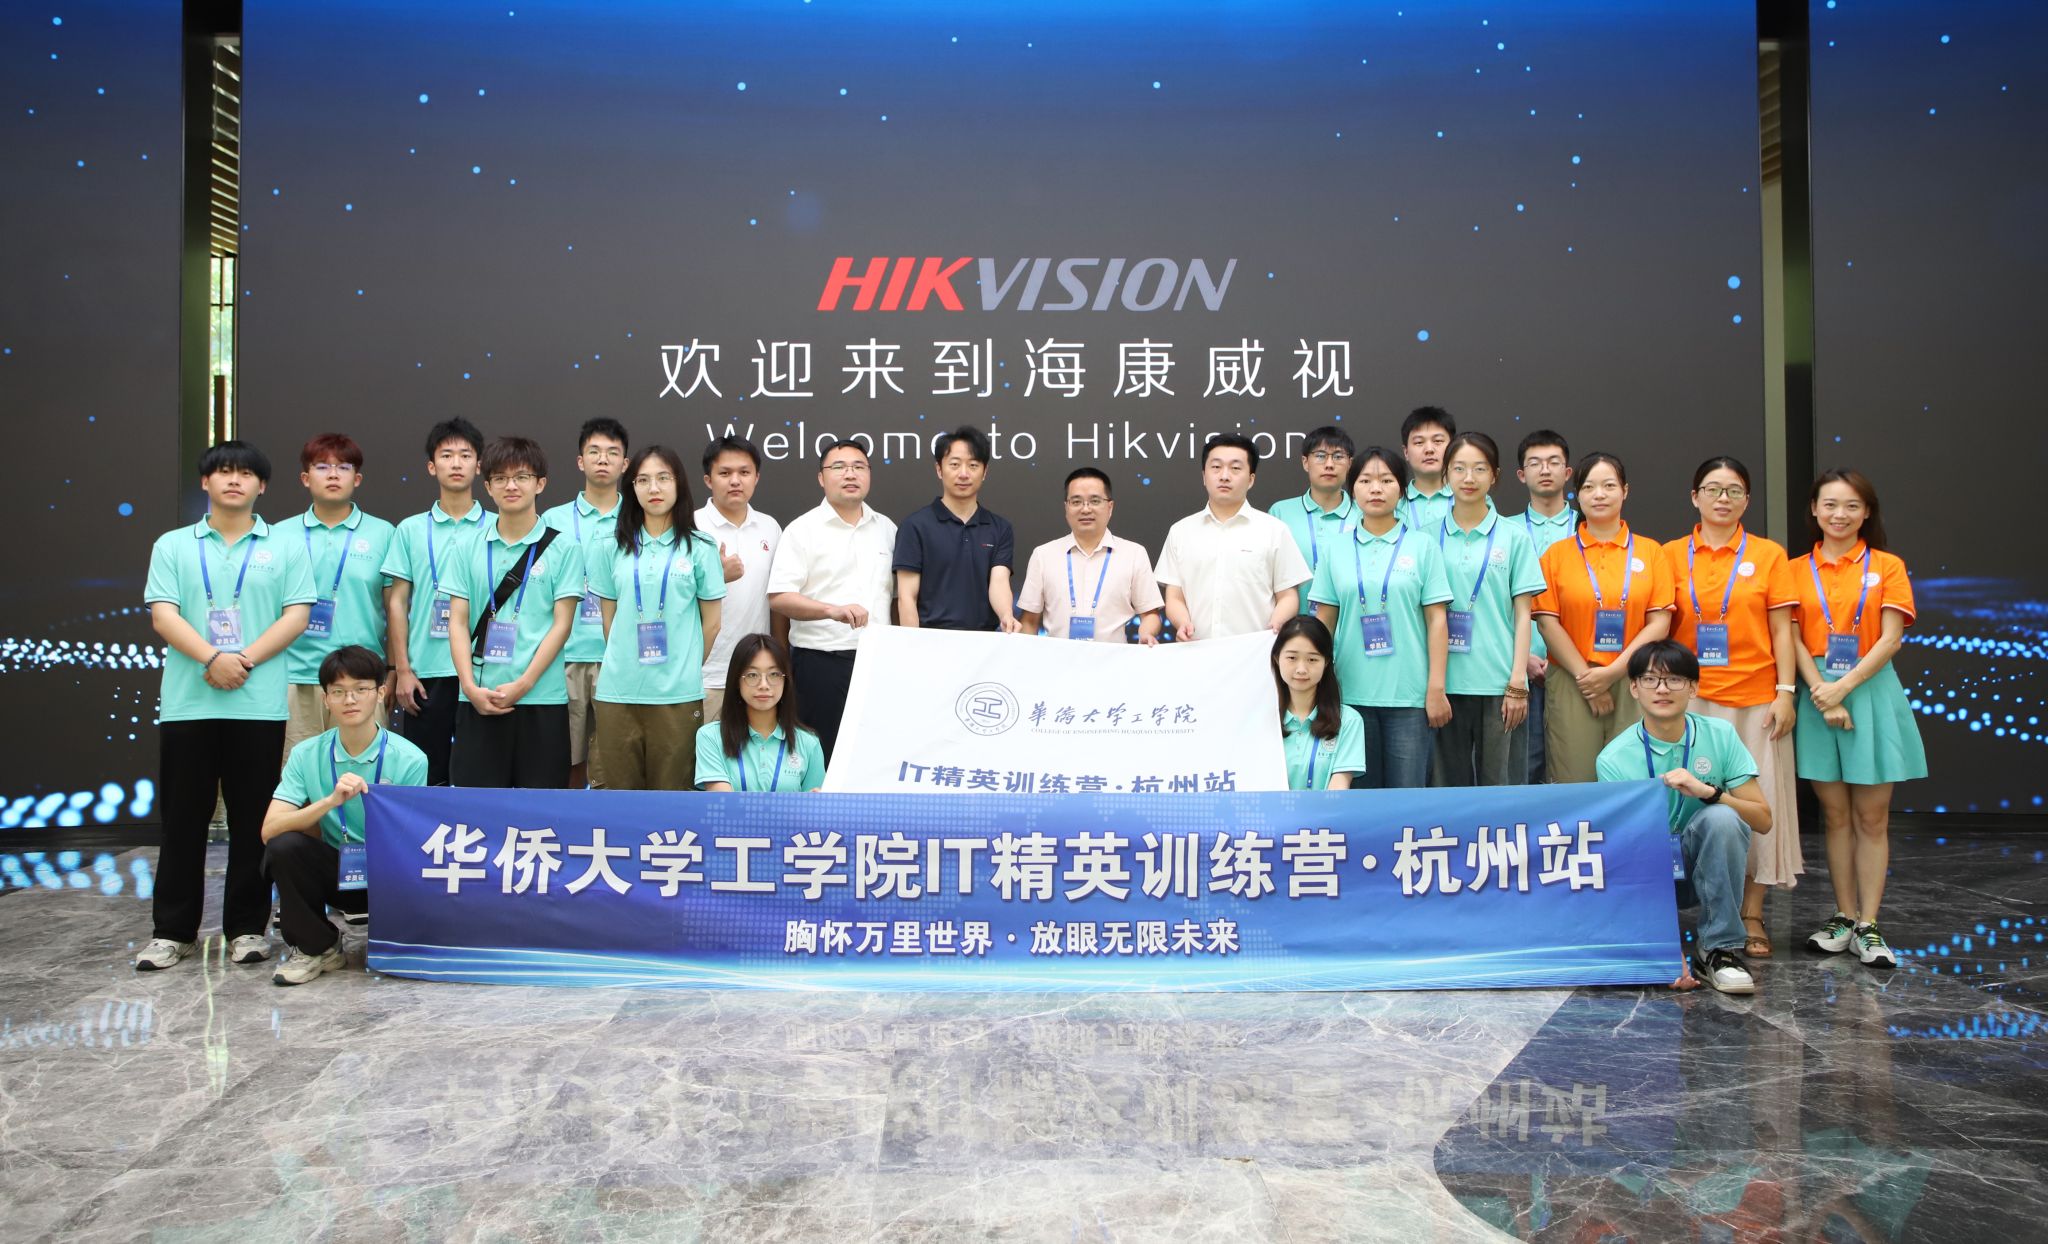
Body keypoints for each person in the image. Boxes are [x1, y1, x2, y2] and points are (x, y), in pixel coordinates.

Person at [136, 440, 316, 971]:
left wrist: (243, 661)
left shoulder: (285, 547)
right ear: (205, 482)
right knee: (183, 820)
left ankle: (246, 928)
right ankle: (173, 931)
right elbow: (163, 616)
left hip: (257, 704)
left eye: (245, 474)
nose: (234, 480)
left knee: (253, 820)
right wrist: (214, 658)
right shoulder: (173, 545)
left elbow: (296, 616)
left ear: (262, 485)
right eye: (223, 472)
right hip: (188, 704)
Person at [1663, 456, 1802, 960]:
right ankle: (1700, 909)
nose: (1723, 499)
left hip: (1756, 700)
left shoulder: (1768, 555)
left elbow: (1783, 629)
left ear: (1747, 500)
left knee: (1757, 804)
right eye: (1713, 489)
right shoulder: (1670, 555)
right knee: (1690, 804)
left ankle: (1752, 912)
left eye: (1734, 491)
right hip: (1689, 700)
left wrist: (1786, 691)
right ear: (1694, 497)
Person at [1791, 470, 1925, 970]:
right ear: (1814, 509)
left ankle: (1869, 923)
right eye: (1830, 504)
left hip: (1868, 689)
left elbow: (1891, 639)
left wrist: (1842, 689)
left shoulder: (1887, 565)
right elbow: (1792, 637)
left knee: (1871, 816)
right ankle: (1843, 917)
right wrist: (1822, 693)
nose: (1839, 514)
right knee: (1835, 815)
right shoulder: (1795, 569)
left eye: (1851, 505)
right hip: (1816, 692)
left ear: (1866, 512)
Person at [1596, 640, 1774, 995]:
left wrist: (1710, 792)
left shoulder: (1720, 735)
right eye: (1650, 679)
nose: (1662, 689)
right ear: (1634, 688)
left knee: (1722, 818)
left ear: (1693, 688)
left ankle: (1719, 950)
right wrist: (1666, 947)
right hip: (1650, 870)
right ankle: (1654, 939)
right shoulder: (1614, 759)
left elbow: (1763, 820)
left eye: (1674, 679)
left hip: (1704, 864)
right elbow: (1628, 854)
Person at [260, 645, 428, 986]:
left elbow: (414, 839)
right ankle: (317, 947)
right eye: (338, 692)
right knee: (283, 847)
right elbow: (270, 829)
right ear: (326, 699)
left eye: (360, 689)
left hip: (389, 874)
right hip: (337, 870)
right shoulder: (306, 754)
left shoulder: (410, 759)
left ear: (380, 693)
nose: (349, 700)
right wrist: (329, 802)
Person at [1308, 447, 1452, 788]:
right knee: (1362, 801)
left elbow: (1437, 621)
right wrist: (1321, 690)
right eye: (1366, 480)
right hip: (1349, 696)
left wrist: (1436, 687)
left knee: (1407, 798)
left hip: (1410, 697)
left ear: (1401, 490)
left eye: (1386, 480)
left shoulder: (1422, 546)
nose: (1376, 489)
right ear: (1352, 488)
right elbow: (1323, 624)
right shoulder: (1336, 549)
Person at [445, 437, 583, 788]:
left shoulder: (565, 547)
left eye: (521, 477)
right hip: (478, 697)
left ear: (540, 484)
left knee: (540, 807)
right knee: (476, 806)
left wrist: (525, 683)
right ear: (487, 486)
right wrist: (468, 687)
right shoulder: (467, 546)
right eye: (501, 478)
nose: (511, 486)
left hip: (541, 698)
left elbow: (562, 625)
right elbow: (457, 622)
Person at [588, 446, 725, 790]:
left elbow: (712, 624)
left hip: (677, 694)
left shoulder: (701, 547)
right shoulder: (609, 545)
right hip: (618, 692)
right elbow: (609, 621)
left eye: (663, 478)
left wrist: (684, 667)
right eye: (643, 480)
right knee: (619, 798)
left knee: (672, 798)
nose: (654, 488)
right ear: (632, 487)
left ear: (679, 484)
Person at [1533, 452, 1675, 783]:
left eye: (1609, 485)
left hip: (1635, 678)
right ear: (1577, 494)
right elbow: (1547, 622)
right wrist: (1588, 680)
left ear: (1625, 491)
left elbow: (1659, 623)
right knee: (1575, 780)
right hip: (1572, 679)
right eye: (1589, 487)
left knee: (1634, 778)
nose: (1599, 494)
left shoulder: (1651, 552)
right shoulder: (1556, 555)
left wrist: (1612, 673)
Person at [766, 439, 897, 761]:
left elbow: (895, 598)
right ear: (821, 478)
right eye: (839, 467)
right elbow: (780, 597)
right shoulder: (802, 530)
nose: (850, 474)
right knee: (823, 758)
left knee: (874, 757)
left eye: (859, 466)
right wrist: (831, 611)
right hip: (820, 664)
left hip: (878, 663)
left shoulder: (887, 529)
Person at [1431, 433, 1546, 786]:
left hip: (1499, 684)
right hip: (1443, 686)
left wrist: (1517, 681)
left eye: (1480, 469)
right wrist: (1432, 686)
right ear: (1445, 475)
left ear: (1495, 475)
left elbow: (1523, 614)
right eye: (1459, 468)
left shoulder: (1514, 537)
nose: (1469, 478)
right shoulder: (1425, 538)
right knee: (1447, 791)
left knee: (1503, 789)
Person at [382, 418, 488, 785]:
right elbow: (397, 603)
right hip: (426, 672)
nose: (456, 463)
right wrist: (403, 669)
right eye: (446, 455)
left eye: (465, 455)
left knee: (479, 776)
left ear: (479, 465)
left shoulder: (497, 526)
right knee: (428, 777)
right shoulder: (410, 529)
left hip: (482, 670)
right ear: (432, 466)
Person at [282, 434, 396, 755]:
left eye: (343, 467)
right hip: (296, 678)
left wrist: (393, 671)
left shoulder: (384, 533)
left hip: (361, 680)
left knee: (362, 774)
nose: (333, 475)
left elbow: (395, 609)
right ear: (305, 478)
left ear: (357, 479)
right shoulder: (280, 535)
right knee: (296, 773)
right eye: (322, 467)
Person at [541, 417, 629, 788]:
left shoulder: (639, 519)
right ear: (580, 461)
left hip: (620, 658)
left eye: (612, 453)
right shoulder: (552, 519)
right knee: (569, 759)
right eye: (594, 452)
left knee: (613, 765)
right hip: (565, 656)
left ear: (625, 464)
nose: (603, 459)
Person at [1157, 434, 1310, 640]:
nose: (1224, 476)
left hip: (1255, 651)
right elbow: (1175, 597)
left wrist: (1276, 623)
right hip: (1195, 649)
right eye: (1216, 467)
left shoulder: (1274, 530)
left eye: (1235, 468)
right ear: (1204, 476)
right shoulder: (1181, 531)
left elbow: (1288, 596)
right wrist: (1182, 622)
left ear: (1251, 479)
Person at [1017, 468, 1164, 643]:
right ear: (1066, 507)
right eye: (1076, 501)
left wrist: (1146, 634)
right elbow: (1029, 621)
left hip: (1114, 659)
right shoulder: (1043, 555)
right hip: (1058, 659)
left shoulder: (1134, 554)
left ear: (1110, 507)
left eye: (1095, 501)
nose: (1086, 509)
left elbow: (1150, 614)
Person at [894, 426, 1019, 632]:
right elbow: (907, 597)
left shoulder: (999, 528)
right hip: (932, 639)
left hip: (984, 641)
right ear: (939, 469)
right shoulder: (915, 526)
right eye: (954, 464)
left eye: (973, 465)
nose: (963, 474)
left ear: (985, 472)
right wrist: (913, 644)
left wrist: (1006, 615)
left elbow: (999, 582)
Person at [697, 435, 784, 723]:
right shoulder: (691, 526)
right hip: (704, 674)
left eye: (744, 472)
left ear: (756, 477)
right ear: (708, 480)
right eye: (725, 473)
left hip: (757, 675)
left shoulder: (770, 527)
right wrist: (717, 577)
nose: (735, 481)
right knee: (698, 750)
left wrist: (779, 662)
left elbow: (777, 601)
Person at [1511, 429, 1578, 782]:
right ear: (1522, 475)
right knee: (1524, 770)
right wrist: (1521, 658)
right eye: (1535, 463)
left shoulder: (1588, 527)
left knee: (1574, 770)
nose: (1545, 470)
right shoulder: (1504, 531)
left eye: (1554, 462)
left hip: (1577, 669)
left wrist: (1570, 661)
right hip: (1518, 669)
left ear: (1568, 473)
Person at [694, 634, 827, 792]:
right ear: (736, 681)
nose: (764, 685)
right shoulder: (711, 737)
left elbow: (813, 803)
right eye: (752, 675)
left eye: (774, 674)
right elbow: (723, 802)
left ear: (786, 681)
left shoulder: (809, 743)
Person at [1273, 616, 1366, 791]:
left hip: (1325, 810)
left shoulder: (1348, 721)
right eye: (1292, 657)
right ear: (1277, 659)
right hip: (1271, 810)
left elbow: (1339, 787)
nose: (1301, 669)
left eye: (1312, 659)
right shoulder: (1260, 719)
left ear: (1326, 662)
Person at [1271, 425, 1357, 613]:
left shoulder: (1363, 514)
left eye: (1338, 457)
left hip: (1349, 622)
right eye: (1320, 456)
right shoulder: (1280, 512)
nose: (1329, 464)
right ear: (1305, 462)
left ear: (1350, 463)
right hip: (1293, 624)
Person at [1396, 406, 1457, 533]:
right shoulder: (1393, 502)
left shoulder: (1468, 498)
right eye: (1419, 442)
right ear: (1406, 452)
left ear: (1453, 447)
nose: (1429, 449)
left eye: (1438, 441)